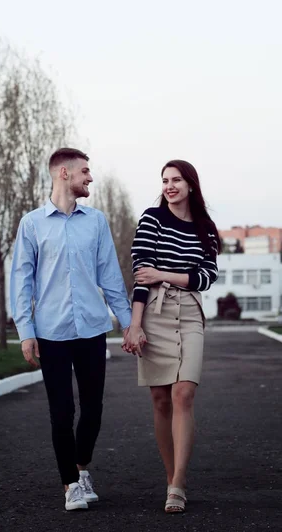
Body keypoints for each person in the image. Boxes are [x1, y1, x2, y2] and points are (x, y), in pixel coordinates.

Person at [10, 147, 131, 511]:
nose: (90, 178)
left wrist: (128, 323)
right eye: (85, 172)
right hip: (51, 332)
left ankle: (81, 470)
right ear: (64, 173)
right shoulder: (32, 224)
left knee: (93, 407)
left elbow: (110, 276)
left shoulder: (95, 222)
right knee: (61, 411)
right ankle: (70, 485)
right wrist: (25, 331)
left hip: (92, 329)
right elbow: (21, 280)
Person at [123, 159, 221, 514]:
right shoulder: (152, 218)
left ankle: (178, 483)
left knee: (184, 392)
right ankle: (170, 477)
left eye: (176, 179)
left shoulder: (206, 228)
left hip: (190, 312)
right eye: (164, 180)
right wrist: (135, 325)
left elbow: (207, 277)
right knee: (161, 400)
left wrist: (165, 272)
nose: (169, 186)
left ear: (190, 185)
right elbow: (140, 274)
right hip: (154, 312)